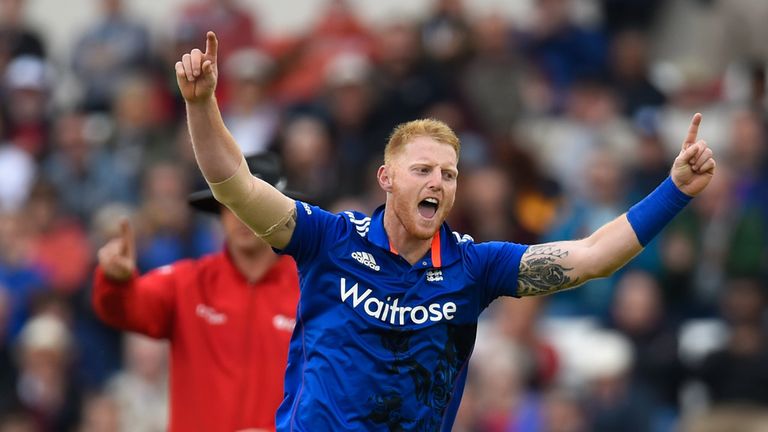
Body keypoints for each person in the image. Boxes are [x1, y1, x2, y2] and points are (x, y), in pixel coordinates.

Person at [175, 31, 717, 431]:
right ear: (386, 178)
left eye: (449, 174)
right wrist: (202, 105)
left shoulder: (474, 267)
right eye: (423, 170)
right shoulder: (329, 238)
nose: (438, 181)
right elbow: (235, 186)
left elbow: (594, 256)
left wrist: (674, 191)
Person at [92, 153, 301, 432]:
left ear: (279, 212)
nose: (243, 216)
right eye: (233, 204)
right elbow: (124, 310)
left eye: (256, 205)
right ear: (220, 212)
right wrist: (115, 280)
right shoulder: (187, 283)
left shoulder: (312, 290)